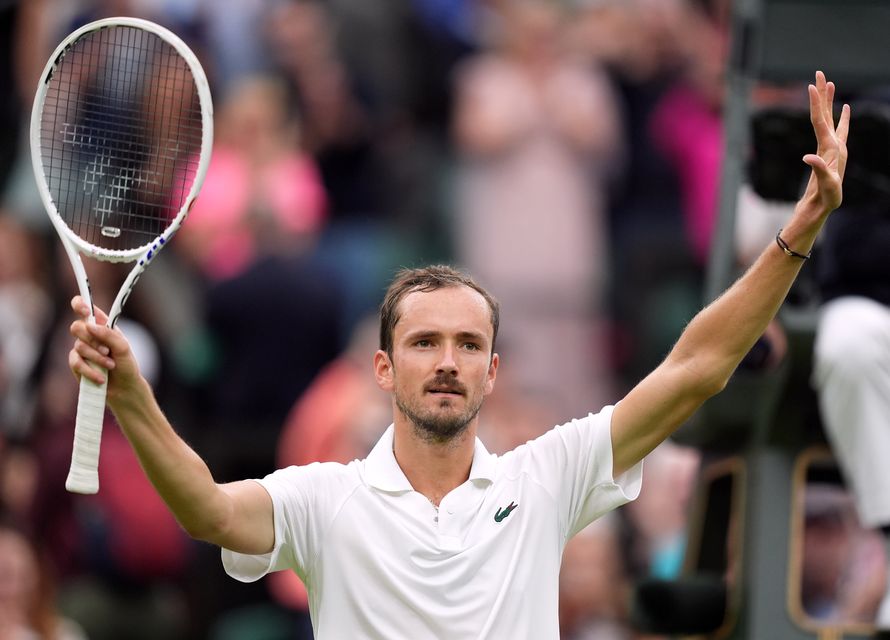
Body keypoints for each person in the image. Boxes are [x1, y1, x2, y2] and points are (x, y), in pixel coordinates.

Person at [66, 72, 849, 639]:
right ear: (384, 369)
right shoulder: (324, 499)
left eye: (469, 344)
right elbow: (206, 510)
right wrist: (132, 394)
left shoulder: (543, 478)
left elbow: (695, 369)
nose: (448, 360)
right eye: (425, 342)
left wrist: (798, 232)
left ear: (492, 372)